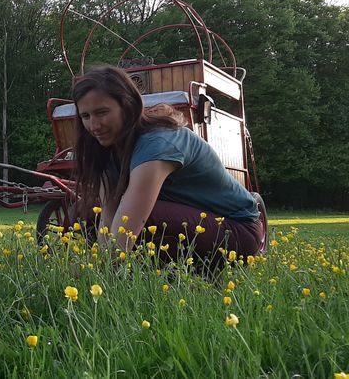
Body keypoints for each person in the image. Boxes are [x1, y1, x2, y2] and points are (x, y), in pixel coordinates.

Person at [72, 66, 262, 274]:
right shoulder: (106, 150)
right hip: (193, 223)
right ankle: (157, 274)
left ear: (128, 106)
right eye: (85, 116)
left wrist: (92, 275)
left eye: (102, 112)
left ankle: (176, 274)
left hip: (236, 230)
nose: (94, 125)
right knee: (90, 213)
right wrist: (99, 261)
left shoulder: (158, 143)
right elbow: (108, 217)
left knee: (139, 218)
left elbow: (126, 228)